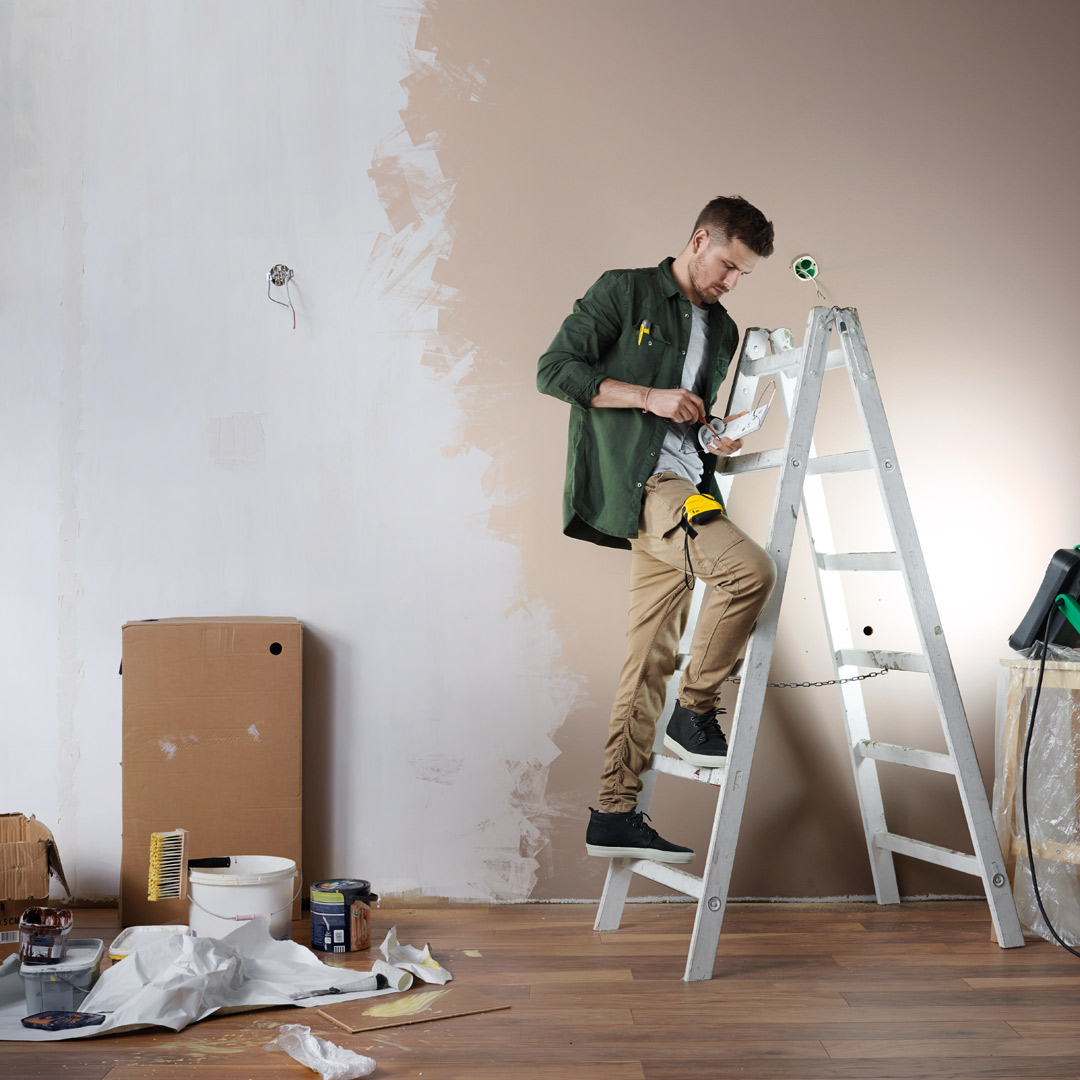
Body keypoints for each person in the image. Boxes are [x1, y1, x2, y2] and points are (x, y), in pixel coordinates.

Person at [536, 196, 777, 864]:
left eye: (742, 276)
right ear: (700, 239)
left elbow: (689, 420)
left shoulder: (722, 332)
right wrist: (648, 396)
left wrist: (712, 434)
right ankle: (695, 708)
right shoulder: (625, 291)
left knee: (646, 662)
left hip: (687, 483)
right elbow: (554, 371)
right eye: (728, 265)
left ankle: (614, 811)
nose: (731, 283)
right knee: (749, 570)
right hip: (644, 487)